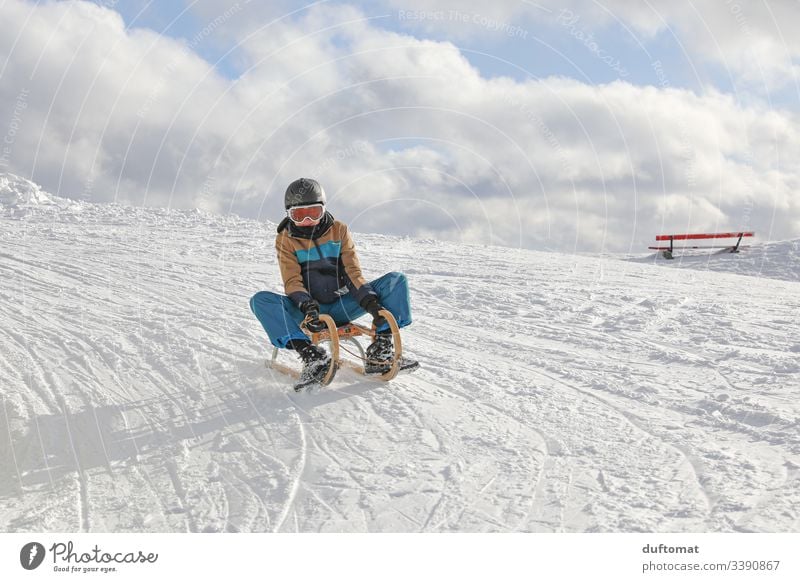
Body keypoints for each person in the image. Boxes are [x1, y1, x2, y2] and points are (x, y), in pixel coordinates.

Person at [250, 178, 417, 388]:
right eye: (300, 215)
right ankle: (312, 356)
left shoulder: (339, 230)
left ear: (323, 209)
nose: (309, 220)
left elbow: (352, 272)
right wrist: (308, 307)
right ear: (289, 214)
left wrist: (370, 302)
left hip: (342, 304)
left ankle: (381, 350)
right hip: (311, 311)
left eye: (314, 212)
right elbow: (292, 281)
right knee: (260, 301)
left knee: (396, 281)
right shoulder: (286, 239)